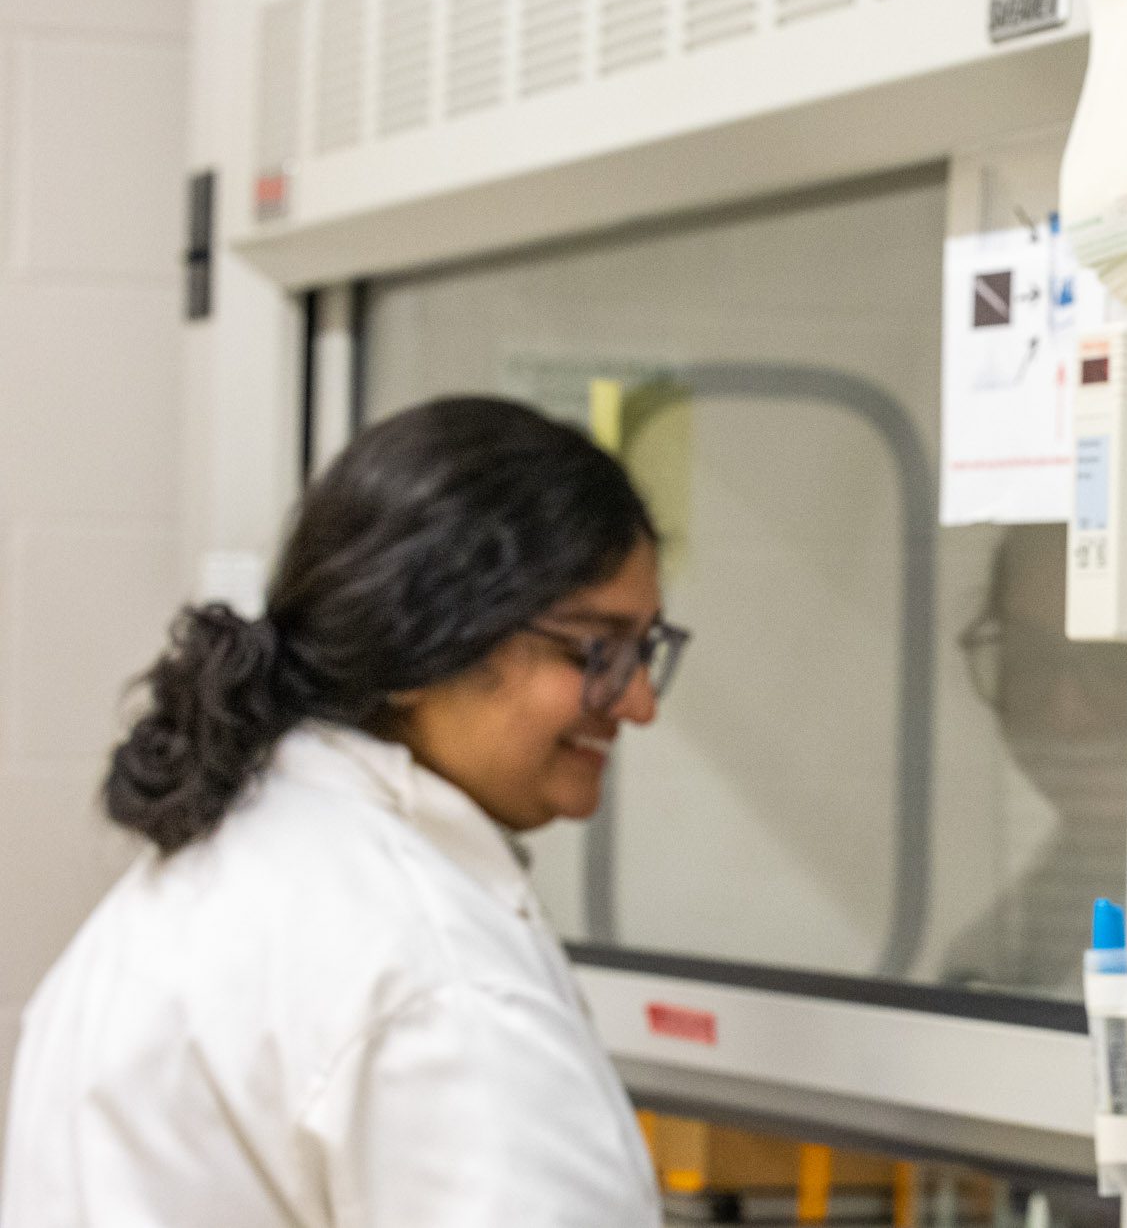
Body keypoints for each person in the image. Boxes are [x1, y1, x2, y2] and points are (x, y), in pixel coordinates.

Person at [2, 397, 689, 1226]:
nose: (639, 701)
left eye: (645, 649)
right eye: (597, 650)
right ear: (423, 641)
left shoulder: (218, 875)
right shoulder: (432, 973)